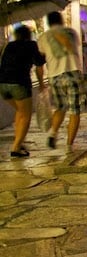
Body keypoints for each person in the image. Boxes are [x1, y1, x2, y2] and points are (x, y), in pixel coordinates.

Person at [37, 11, 87, 150]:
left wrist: (41, 83)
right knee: (75, 110)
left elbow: (41, 58)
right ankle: (69, 145)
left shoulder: (43, 37)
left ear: (48, 22)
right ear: (61, 20)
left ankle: (52, 133)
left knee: (60, 107)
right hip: (72, 73)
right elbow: (74, 47)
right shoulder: (71, 32)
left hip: (54, 76)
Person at [0, 25, 46, 158]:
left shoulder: (9, 46)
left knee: (20, 112)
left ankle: (18, 141)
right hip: (19, 83)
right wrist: (42, 84)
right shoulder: (31, 45)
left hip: (3, 84)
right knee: (25, 115)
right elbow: (39, 63)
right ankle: (16, 147)